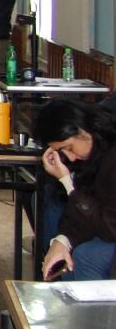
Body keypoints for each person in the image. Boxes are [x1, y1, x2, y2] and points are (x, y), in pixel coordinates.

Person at [34, 100, 116, 282]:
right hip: (105, 224)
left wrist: (68, 184)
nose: (70, 157)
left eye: (69, 148)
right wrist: (62, 241)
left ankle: (97, 310)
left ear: (83, 131)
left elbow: (110, 227)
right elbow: (87, 208)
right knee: (65, 254)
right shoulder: (95, 150)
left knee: (85, 257)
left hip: (111, 229)